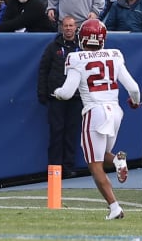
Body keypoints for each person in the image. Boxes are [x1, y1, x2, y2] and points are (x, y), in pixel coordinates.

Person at [51, 19, 140, 220]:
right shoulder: (115, 55)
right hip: (115, 111)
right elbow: (133, 88)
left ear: (82, 37)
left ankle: (114, 207)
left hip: (94, 111)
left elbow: (67, 93)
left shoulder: (76, 57)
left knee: (94, 164)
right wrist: (135, 102)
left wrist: (56, 92)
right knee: (103, 155)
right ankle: (118, 160)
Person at [37, 16, 81, 178]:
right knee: (56, 133)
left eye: (71, 26)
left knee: (71, 133)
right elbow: (43, 70)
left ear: (76, 27)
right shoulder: (52, 47)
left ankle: (69, 167)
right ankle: (54, 168)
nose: (68, 29)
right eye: (66, 26)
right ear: (62, 28)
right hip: (56, 98)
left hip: (76, 98)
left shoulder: (82, 47)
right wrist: (42, 93)